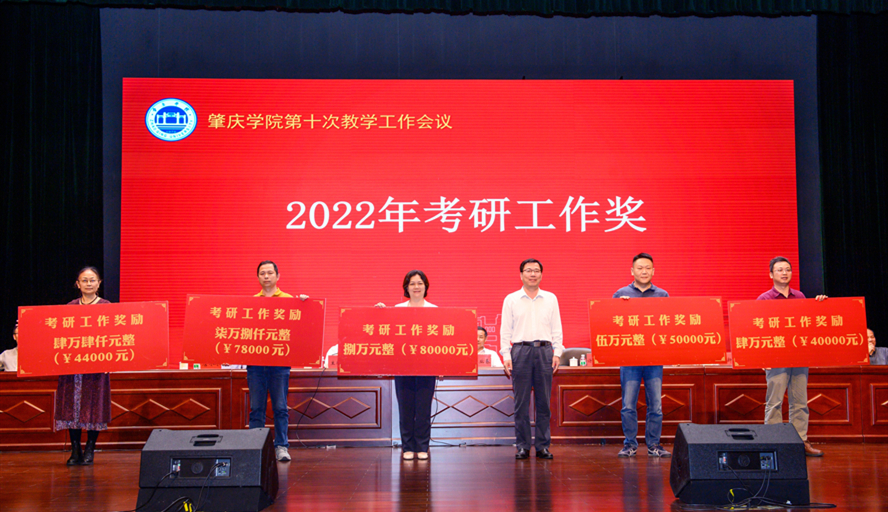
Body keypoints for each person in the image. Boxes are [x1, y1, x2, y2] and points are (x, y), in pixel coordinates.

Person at [758, 256, 827, 457]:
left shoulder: (800, 296)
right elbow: (757, 331)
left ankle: (800, 442)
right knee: (775, 402)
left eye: (787, 269)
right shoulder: (764, 299)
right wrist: (761, 357)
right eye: (779, 270)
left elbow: (809, 323)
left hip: (799, 356)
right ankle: (774, 443)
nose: (784, 273)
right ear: (771, 274)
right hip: (775, 358)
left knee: (800, 401)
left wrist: (820, 305)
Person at [501, 258, 563, 460]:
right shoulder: (511, 299)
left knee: (544, 402)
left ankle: (543, 446)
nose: (533, 274)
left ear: (541, 275)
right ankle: (523, 446)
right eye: (528, 270)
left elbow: (557, 328)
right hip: (520, 351)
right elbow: (505, 330)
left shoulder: (550, 298)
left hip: (544, 351)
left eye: (536, 270)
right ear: (521, 275)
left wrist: (557, 352)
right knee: (521, 403)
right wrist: (506, 354)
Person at [248, 260, 308, 462]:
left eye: (270, 273)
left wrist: (304, 305)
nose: (266, 276)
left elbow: (300, 327)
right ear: (258, 277)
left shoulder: (289, 300)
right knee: (256, 408)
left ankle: (281, 446)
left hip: (279, 364)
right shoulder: (251, 303)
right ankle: (255, 449)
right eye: (262, 273)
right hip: (256, 364)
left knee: (280, 408)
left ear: (277, 276)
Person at [612, 253, 671, 458]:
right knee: (628, 405)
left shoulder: (662, 295)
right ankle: (630, 444)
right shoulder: (621, 294)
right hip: (629, 359)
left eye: (648, 268)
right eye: (640, 268)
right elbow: (611, 322)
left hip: (654, 358)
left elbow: (669, 324)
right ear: (632, 271)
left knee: (656, 405)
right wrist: (621, 307)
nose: (644, 271)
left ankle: (654, 444)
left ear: (653, 271)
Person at [376, 270, 437, 461]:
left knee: (424, 409)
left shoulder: (435, 310)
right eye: (412, 283)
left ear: (425, 286)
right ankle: (408, 447)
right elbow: (388, 334)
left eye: (420, 283)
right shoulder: (398, 309)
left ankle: (422, 447)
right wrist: (380, 313)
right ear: (406, 287)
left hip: (427, 367)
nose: (416, 287)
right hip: (402, 367)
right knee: (406, 408)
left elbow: (440, 342)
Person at [55, 267, 111, 466]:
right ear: (78, 284)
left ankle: (90, 448)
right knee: (73, 407)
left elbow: (113, 336)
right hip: (72, 366)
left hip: (97, 365)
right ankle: (75, 449)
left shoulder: (107, 306)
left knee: (94, 406)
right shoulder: (70, 307)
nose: (88, 284)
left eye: (92, 280)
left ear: (99, 283)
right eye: (84, 280)